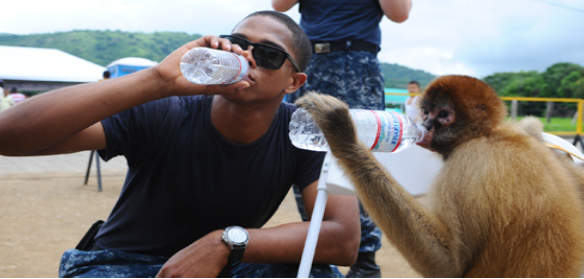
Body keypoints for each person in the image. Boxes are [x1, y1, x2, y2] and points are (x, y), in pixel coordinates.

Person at [0, 11, 360, 278]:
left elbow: (343, 240)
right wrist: (158, 80)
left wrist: (226, 242)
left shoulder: (307, 134)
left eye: (268, 55)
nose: (246, 56)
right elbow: (9, 135)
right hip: (119, 265)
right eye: (238, 44)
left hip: (225, 261)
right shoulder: (166, 108)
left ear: (293, 83)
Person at [273, 0, 412, 277]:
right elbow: (279, 5)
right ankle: (319, 245)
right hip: (308, 60)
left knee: (358, 156)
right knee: (304, 149)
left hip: (355, 60)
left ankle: (365, 260)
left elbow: (399, 14)